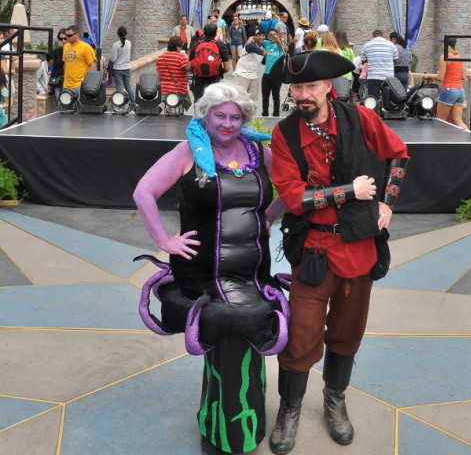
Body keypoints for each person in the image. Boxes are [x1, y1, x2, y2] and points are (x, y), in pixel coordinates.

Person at [133, 83, 288, 455]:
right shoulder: (188, 151)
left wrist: (266, 217)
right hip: (203, 273)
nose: (227, 123)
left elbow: (290, 187)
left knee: (250, 340)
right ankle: (222, 431)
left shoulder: (257, 151)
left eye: (236, 117)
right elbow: (143, 192)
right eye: (220, 115)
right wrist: (166, 242)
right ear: (206, 114)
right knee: (223, 340)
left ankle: (248, 425)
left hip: (251, 270)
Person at [268, 50, 408, 453]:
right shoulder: (285, 134)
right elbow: (294, 199)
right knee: (300, 337)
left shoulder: (360, 119)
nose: (302, 95)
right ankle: (289, 409)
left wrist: (388, 203)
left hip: (360, 247)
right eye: (296, 87)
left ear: (329, 86)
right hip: (313, 249)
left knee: (347, 333)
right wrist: (352, 192)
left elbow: (399, 155)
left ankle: (335, 401)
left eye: (310, 86)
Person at [424, 37, 468, 129]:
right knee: (459, 122)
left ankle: (439, 143)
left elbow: (441, 77)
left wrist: (429, 75)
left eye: (442, 43)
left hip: (449, 89)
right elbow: (463, 77)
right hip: (460, 90)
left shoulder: (444, 57)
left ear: (445, 44)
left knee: (440, 121)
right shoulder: (459, 57)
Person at [189, 22, 230, 101]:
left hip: (199, 80)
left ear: (204, 33)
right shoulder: (221, 45)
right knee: (214, 102)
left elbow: (190, 65)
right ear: (215, 33)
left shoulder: (197, 44)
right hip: (215, 79)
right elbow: (227, 68)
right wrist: (218, 71)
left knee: (199, 102)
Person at [360, 29, 398, 99]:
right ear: (383, 35)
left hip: (373, 76)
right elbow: (396, 59)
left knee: (373, 98)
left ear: (372, 36)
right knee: (387, 97)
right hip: (388, 76)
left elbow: (363, 60)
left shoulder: (367, 45)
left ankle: (374, 110)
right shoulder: (391, 44)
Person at [156, 35, 191, 105]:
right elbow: (189, 69)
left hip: (164, 90)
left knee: (167, 110)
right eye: (180, 46)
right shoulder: (181, 57)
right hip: (179, 90)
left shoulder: (159, 58)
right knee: (178, 112)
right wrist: (187, 56)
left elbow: (158, 77)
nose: (181, 48)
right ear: (177, 47)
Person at [232, 29, 266, 103]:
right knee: (240, 98)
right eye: (259, 35)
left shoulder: (264, 46)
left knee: (252, 101)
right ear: (255, 36)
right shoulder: (250, 43)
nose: (261, 37)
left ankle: (250, 114)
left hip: (254, 76)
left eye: (263, 35)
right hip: (242, 74)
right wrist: (264, 53)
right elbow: (253, 49)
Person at [62, 25, 96, 96]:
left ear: (77, 35)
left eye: (69, 35)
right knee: (66, 106)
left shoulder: (86, 47)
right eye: (66, 36)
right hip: (66, 85)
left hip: (80, 85)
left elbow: (92, 65)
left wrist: (86, 82)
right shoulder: (66, 46)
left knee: (80, 106)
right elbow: (65, 64)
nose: (67, 37)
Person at [109, 26, 136, 107]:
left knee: (119, 88)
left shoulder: (116, 45)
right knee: (128, 87)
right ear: (126, 34)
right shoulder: (129, 43)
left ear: (118, 34)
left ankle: (120, 105)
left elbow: (113, 59)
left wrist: (110, 57)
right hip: (127, 68)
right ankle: (134, 104)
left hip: (118, 69)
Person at [261, 29, 285, 117]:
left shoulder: (280, 44)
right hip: (266, 74)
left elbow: (284, 48)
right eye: (271, 34)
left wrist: (279, 40)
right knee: (265, 96)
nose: (272, 36)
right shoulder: (266, 43)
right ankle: (265, 114)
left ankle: (276, 114)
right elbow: (258, 40)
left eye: (274, 34)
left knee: (276, 96)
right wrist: (251, 38)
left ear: (277, 35)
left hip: (277, 75)